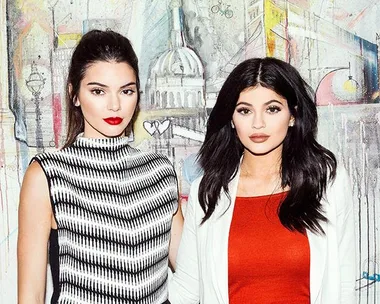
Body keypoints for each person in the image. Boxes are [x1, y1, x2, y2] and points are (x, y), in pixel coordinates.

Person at [169, 57, 356, 304]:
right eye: (245, 110)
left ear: (292, 115)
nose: (258, 123)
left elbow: (343, 285)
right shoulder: (208, 192)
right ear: (232, 120)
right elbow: (187, 292)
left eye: (272, 109)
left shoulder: (327, 183)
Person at [18, 29, 183, 304]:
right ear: (75, 95)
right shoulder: (48, 175)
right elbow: (31, 295)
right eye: (98, 91)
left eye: (126, 91)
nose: (115, 105)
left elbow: (191, 273)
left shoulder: (161, 170)